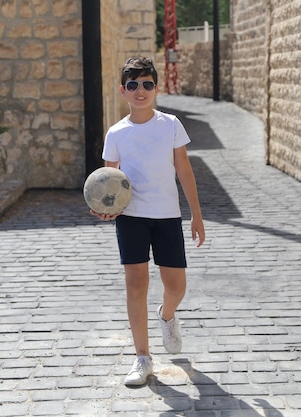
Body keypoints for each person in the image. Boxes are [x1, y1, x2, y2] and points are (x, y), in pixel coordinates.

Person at [90, 56, 205, 386]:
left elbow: (184, 169)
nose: (140, 91)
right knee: (136, 284)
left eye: (147, 84)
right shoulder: (116, 133)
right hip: (131, 218)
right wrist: (104, 209)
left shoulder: (170, 125)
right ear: (123, 91)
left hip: (167, 216)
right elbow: (108, 180)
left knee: (176, 286)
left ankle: (167, 315)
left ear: (156, 88)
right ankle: (142, 357)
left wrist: (196, 214)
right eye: (133, 85)